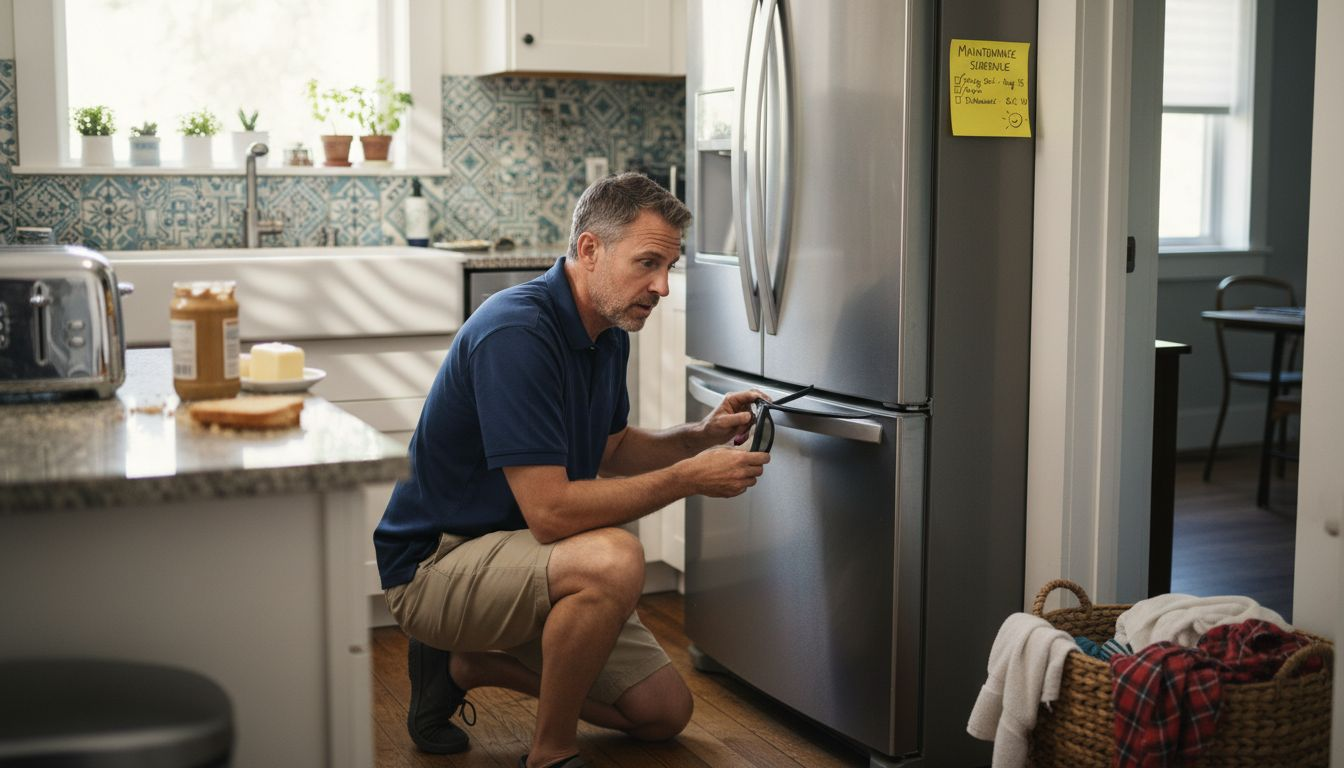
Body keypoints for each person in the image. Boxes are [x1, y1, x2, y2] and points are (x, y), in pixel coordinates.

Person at [373, 171, 772, 768]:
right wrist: (689, 479)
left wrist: (700, 436)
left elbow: (611, 450)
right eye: (647, 263)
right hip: (438, 563)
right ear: (590, 250)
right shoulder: (517, 332)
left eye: (670, 266)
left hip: (524, 554)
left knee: (663, 714)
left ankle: (465, 664)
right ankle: (551, 751)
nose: (662, 286)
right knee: (613, 558)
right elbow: (552, 511)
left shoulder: (607, 329)